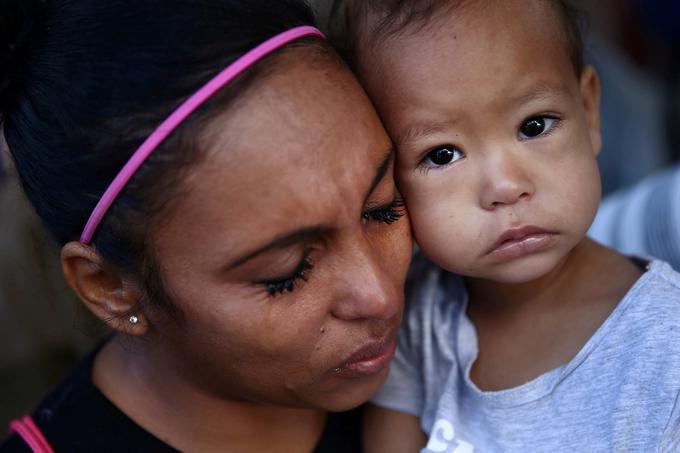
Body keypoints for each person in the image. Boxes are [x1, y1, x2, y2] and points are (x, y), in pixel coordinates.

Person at [0, 0, 413, 451]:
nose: (382, 297)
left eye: (383, 208)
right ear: (110, 286)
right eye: (287, 271)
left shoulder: (461, 318)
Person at [331, 0, 680, 451]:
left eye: (534, 126)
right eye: (442, 154)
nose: (505, 186)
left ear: (589, 111)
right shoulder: (420, 315)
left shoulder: (665, 348)